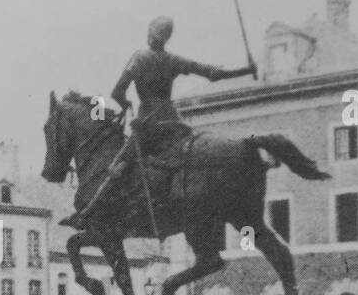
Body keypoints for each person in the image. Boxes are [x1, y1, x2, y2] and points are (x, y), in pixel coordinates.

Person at [64, 16, 257, 227]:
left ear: (150, 34)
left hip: (148, 124)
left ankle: (92, 214)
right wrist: (245, 70)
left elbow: (117, 91)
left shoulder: (139, 58)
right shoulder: (173, 60)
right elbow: (212, 72)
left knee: (116, 167)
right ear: (166, 38)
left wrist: (125, 102)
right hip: (174, 123)